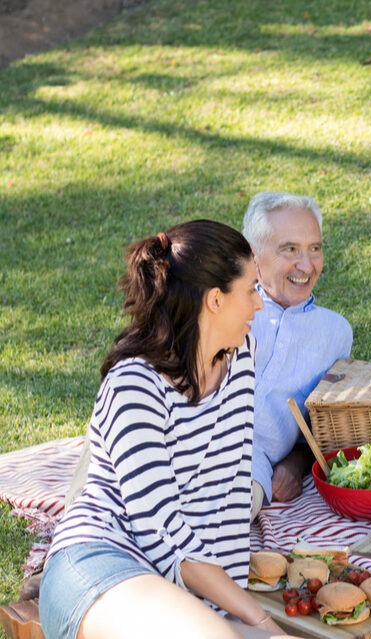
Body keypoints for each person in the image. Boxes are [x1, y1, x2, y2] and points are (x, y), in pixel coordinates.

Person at [37, 220, 301, 639]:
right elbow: (166, 537)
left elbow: (228, 494)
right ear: (215, 300)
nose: (260, 304)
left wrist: (231, 607)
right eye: (251, 289)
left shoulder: (240, 357)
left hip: (183, 586)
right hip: (104, 562)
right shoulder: (135, 386)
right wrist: (259, 618)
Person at [242, 191, 353, 518]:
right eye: (290, 249)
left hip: (250, 466)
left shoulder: (334, 332)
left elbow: (322, 422)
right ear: (254, 256)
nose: (306, 265)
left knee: (216, 524)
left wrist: (296, 463)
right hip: (189, 437)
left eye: (314, 249)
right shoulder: (227, 308)